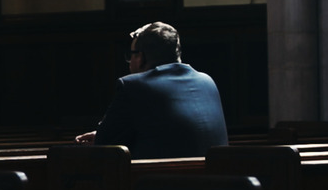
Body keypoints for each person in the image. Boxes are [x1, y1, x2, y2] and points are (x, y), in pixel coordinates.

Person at [75, 22, 228, 158]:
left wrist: (102, 135)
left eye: (131, 55)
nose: (129, 63)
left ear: (140, 57)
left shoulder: (132, 85)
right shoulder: (207, 81)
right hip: (215, 184)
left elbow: (103, 145)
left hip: (162, 185)